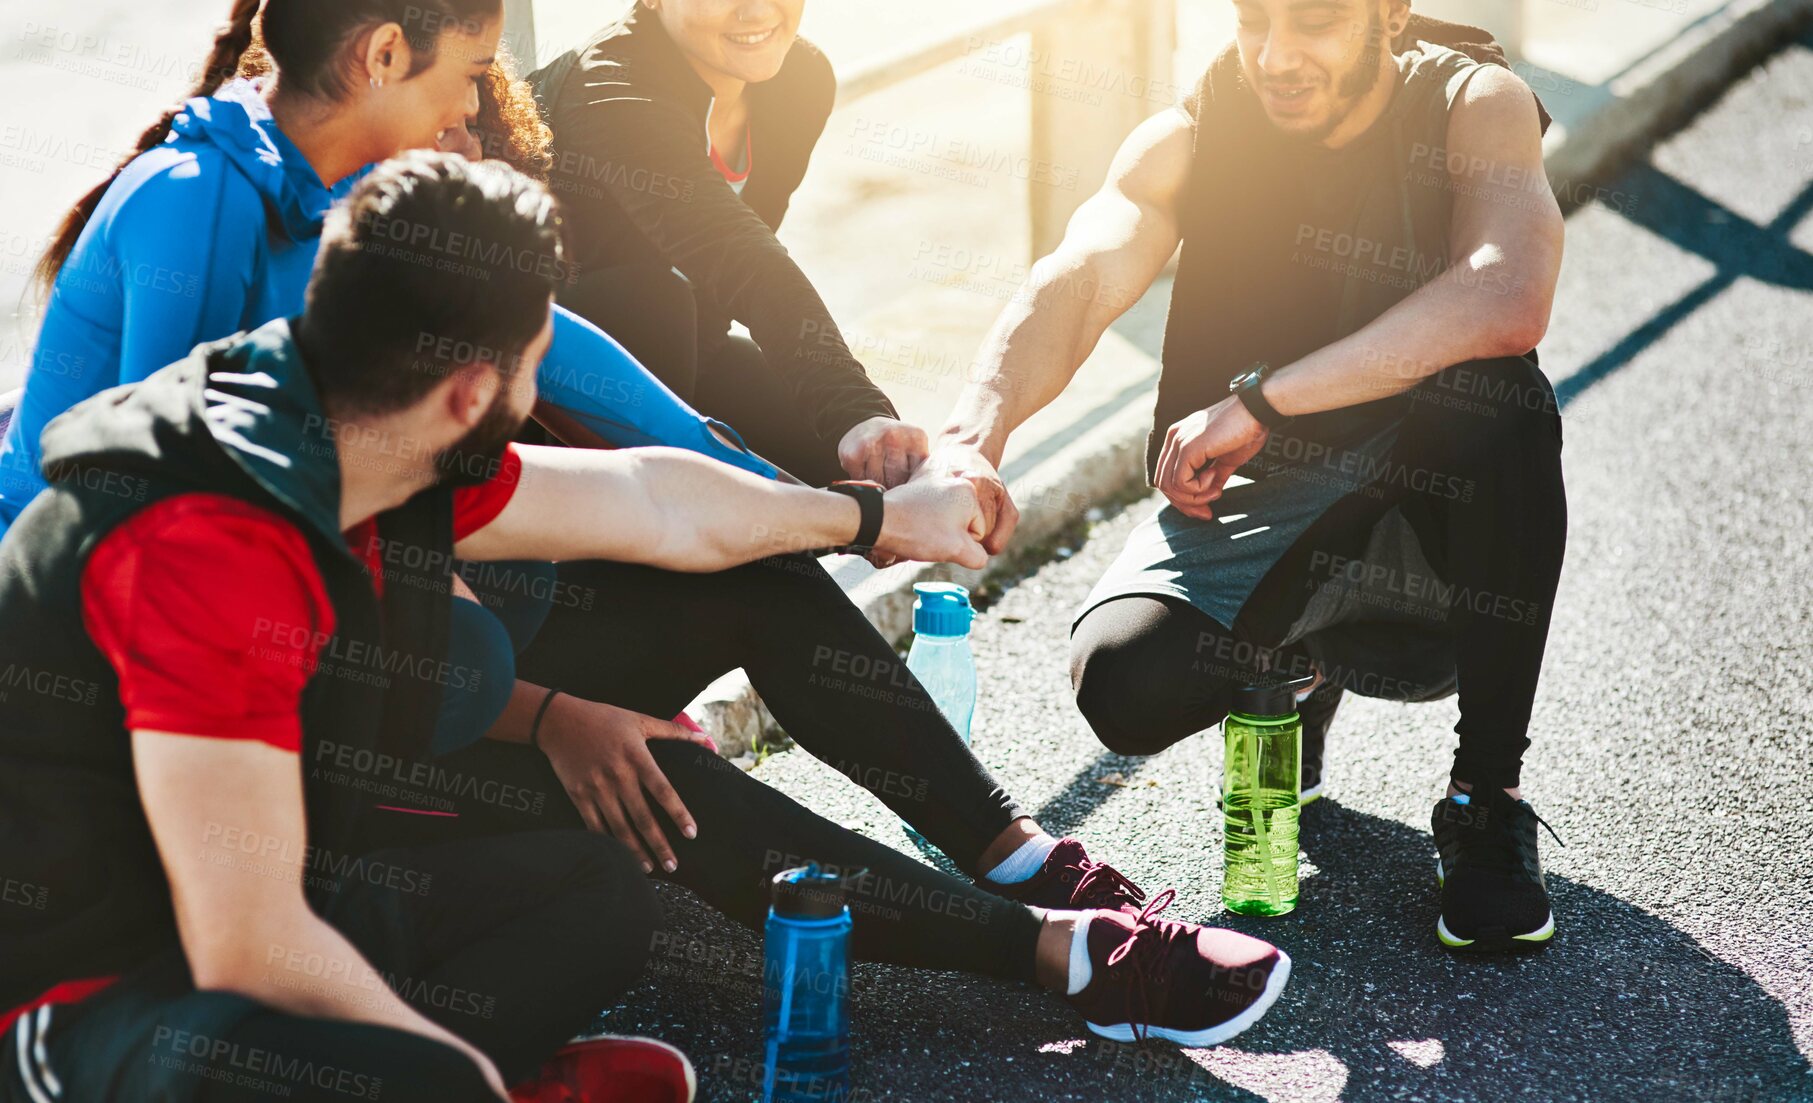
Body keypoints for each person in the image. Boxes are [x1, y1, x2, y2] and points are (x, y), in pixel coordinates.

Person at [0, 156, 1291, 1103]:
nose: (539, 384)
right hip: (90, 991)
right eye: (533, 357)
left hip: (272, 875)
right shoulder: (208, 540)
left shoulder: (358, 415)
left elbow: (651, 498)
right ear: (470, 384)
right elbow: (246, 943)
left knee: (593, 894)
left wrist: (871, 516)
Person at [924, 6, 1569, 951]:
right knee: (1124, 684)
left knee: (1499, 399)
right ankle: (1294, 675)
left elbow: (1507, 291)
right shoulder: (1196, 132)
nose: (1275, 55)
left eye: (1310, 22)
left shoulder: (1471, 102)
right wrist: (972, 434)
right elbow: (1083, 268)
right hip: (1276, 514)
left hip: (1435, 522)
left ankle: (1484, 797)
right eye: (1253, 19)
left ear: (1388, 14)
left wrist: (1264, 402)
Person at [0, 0, 769, 541]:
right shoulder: (196, 200)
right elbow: (154, 496)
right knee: (465, 628)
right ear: (386, 55)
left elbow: (558, 350)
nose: (472, 108)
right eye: (471, 73)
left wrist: (767, 487)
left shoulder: (337, 193)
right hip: (57, 613)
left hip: (214, 549)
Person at [531, 0, 928, 487]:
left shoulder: (799, 78)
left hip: (696, 356)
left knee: (877, 473)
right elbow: (739, 257)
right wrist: (855, 408)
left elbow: (745, 255)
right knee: (653, 300)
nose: (758, 9)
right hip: (551, 402)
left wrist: (865, 421)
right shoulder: (613, 87)